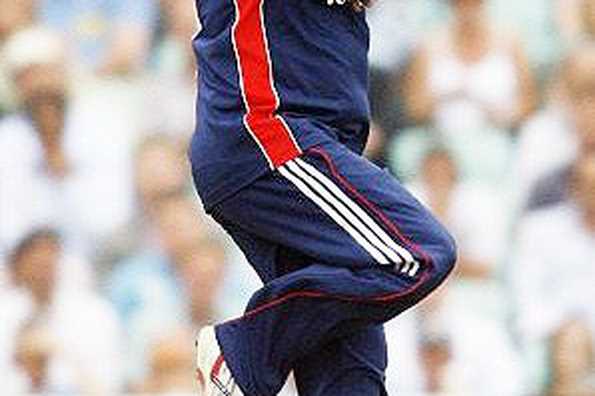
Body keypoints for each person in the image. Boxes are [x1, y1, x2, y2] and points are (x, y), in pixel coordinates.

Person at [188, 0, 457, 395]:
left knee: (350, 381)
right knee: (416, 253)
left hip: (315, 147)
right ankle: (244, 347)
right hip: (268, 137)